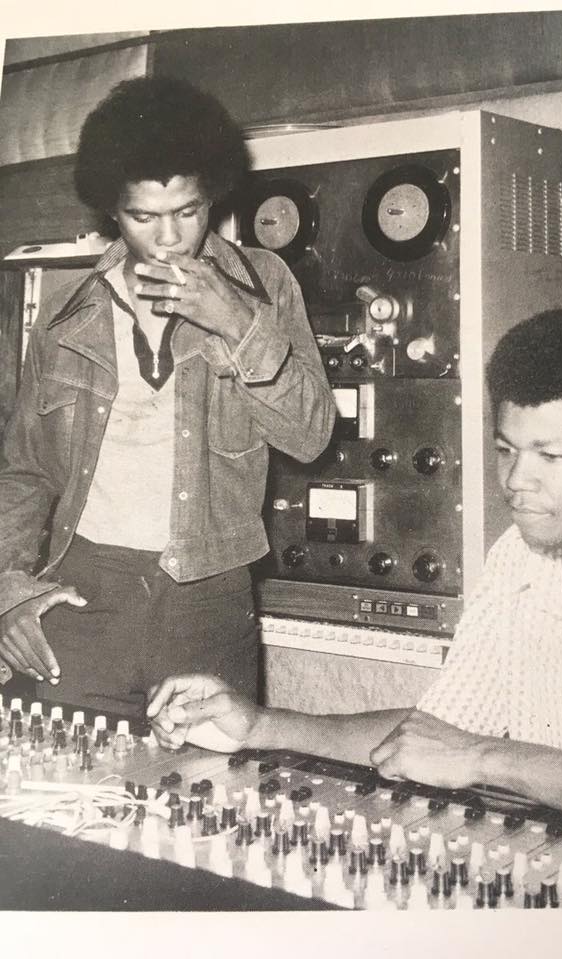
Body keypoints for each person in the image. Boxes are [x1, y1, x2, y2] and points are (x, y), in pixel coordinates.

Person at [148, 307, 562, 837]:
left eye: (550, 456)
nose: (516, 481)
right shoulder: (517, 558)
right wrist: (259, 727)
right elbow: (436, 733)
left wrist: (486, 758)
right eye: (506, 450)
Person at [0, 76, 336, 716]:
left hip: (207, 602)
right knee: (69, 773)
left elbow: (310, 435)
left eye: (188, 211)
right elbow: (25, 473)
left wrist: (237, 322)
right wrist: (8, 592)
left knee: (210, 776)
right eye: (143, 217)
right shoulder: (66, 315)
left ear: (213, 194)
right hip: (82, 599)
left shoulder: (264, 284)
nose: (169, 239)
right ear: (111, 210)